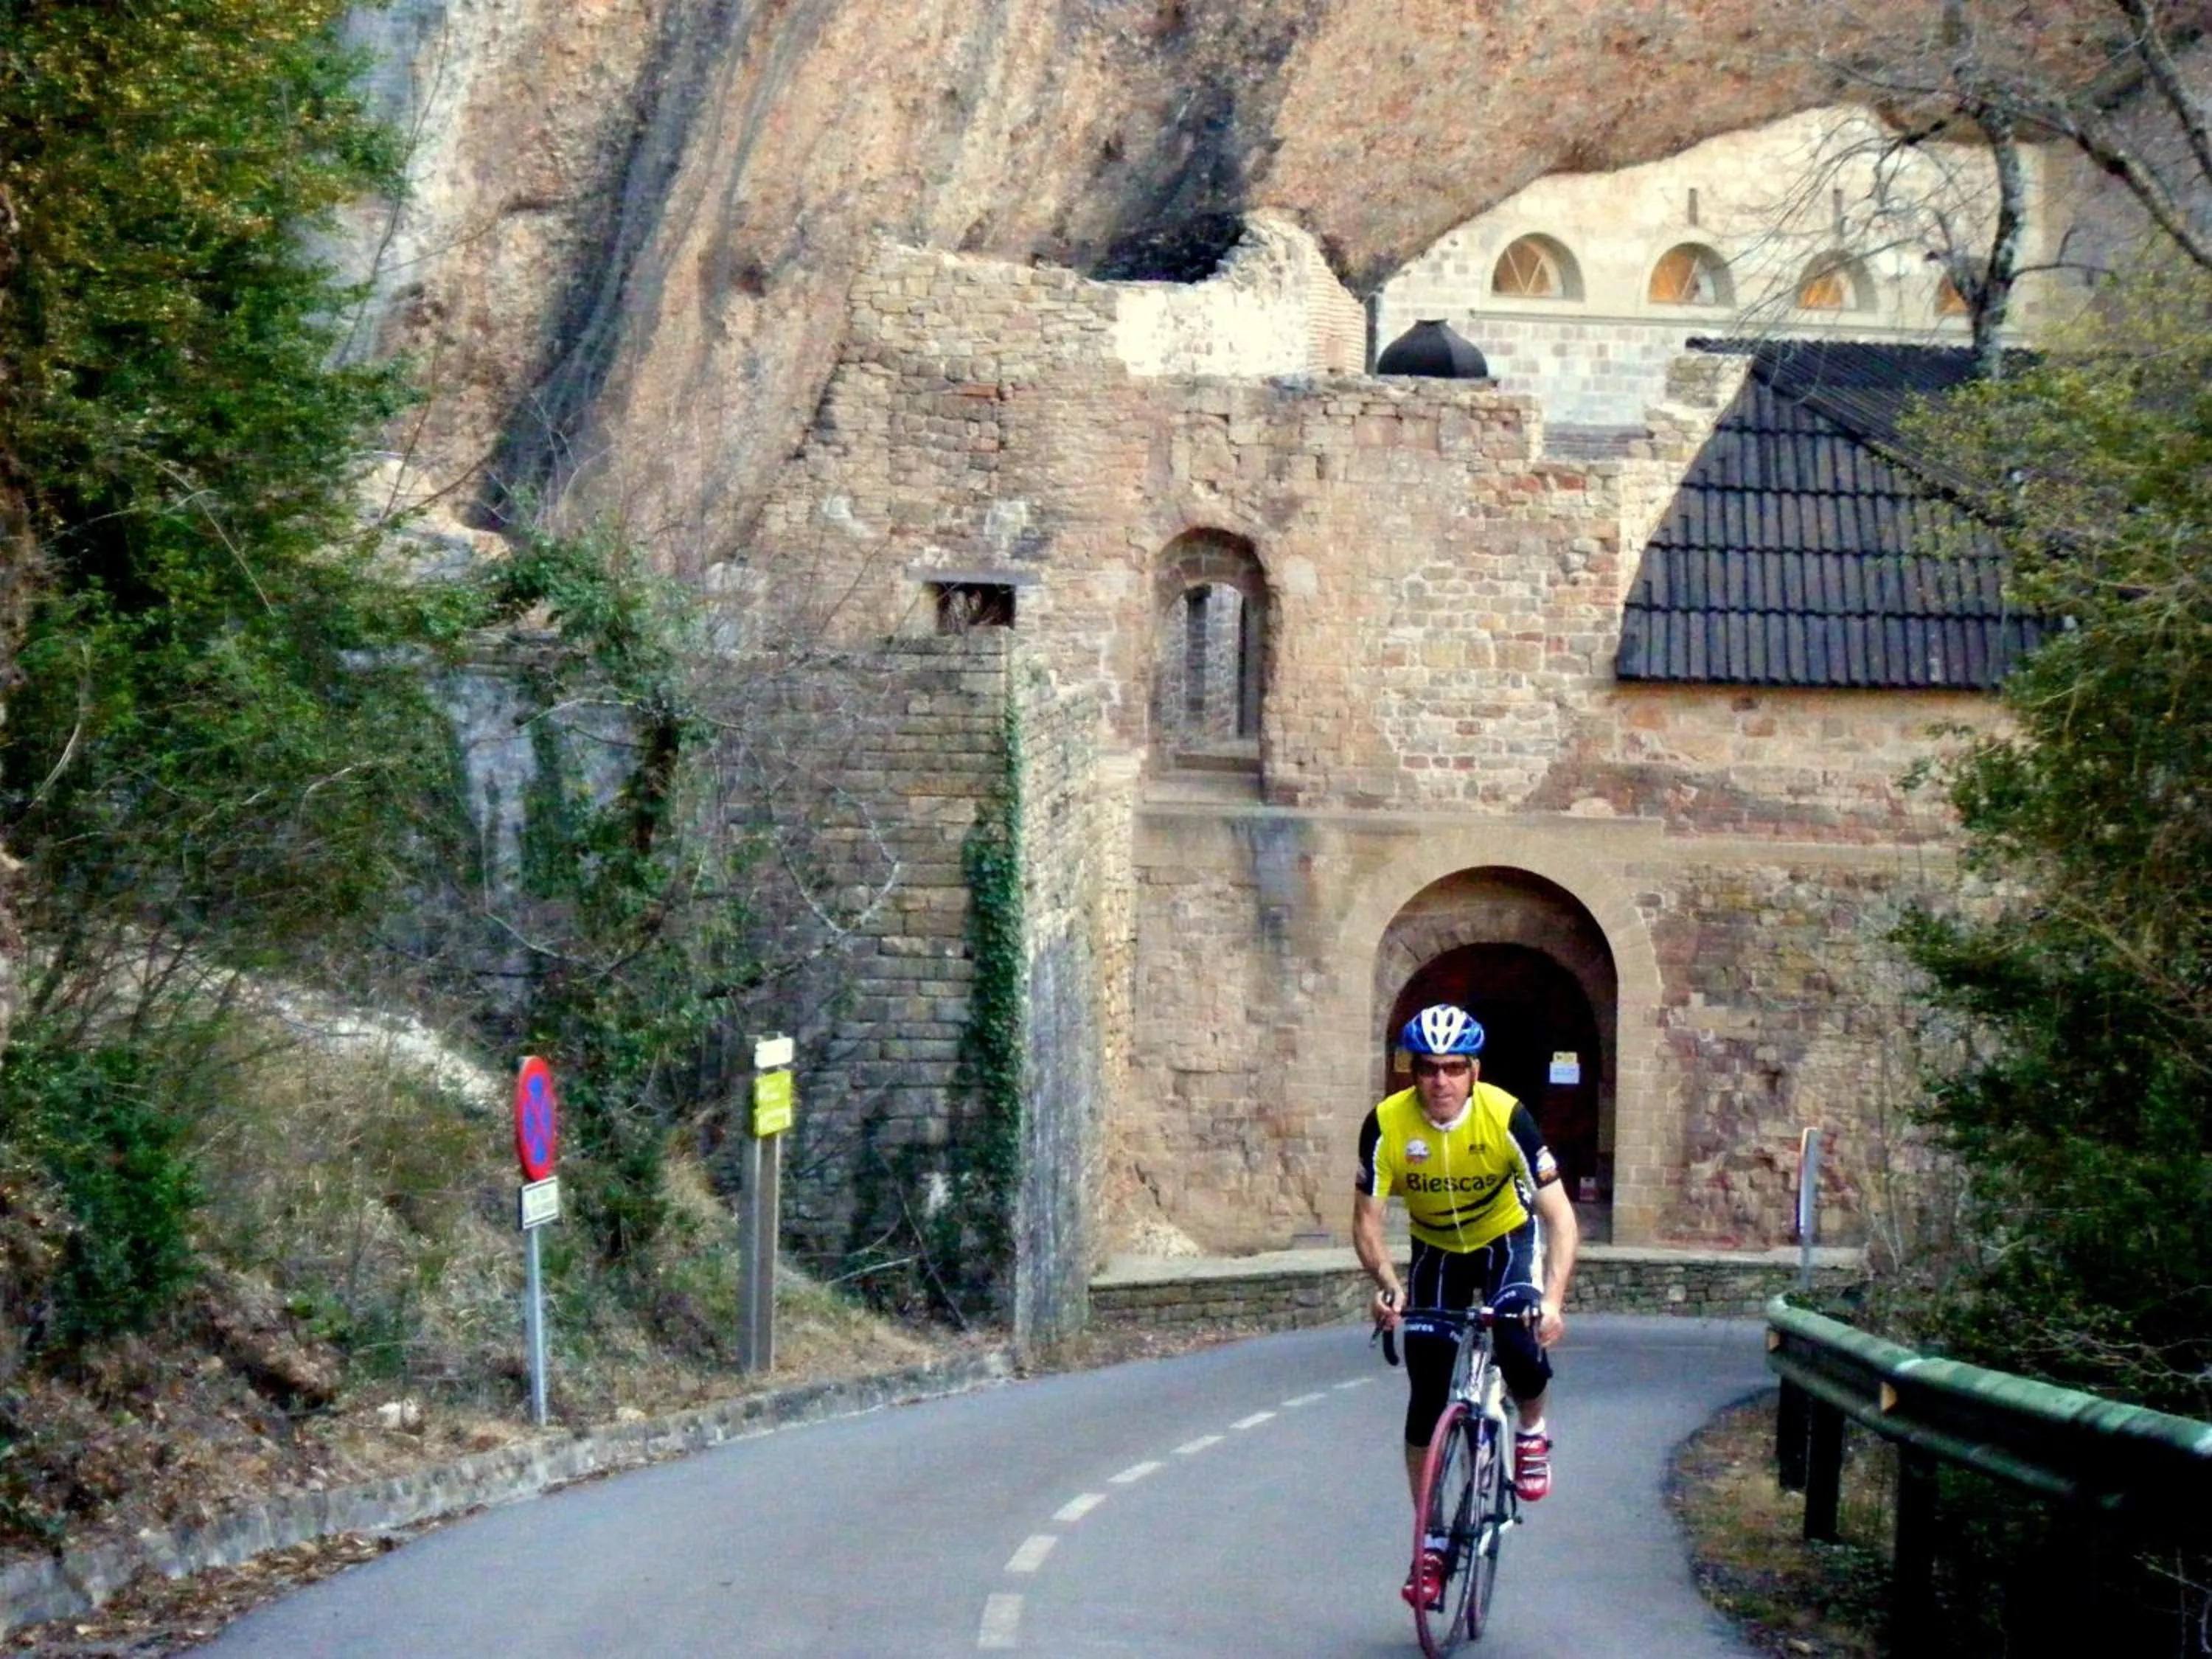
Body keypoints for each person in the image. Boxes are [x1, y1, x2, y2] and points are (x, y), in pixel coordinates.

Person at [1352, 1002, 1580, 1611]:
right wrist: (1387, 1283)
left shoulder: (1507, 1117)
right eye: (1427, 1069)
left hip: (1506, 1240)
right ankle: (1429, 1543)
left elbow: (1560, 1218)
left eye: (1454, 1068)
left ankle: (1531, 1430)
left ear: (1474, 1070)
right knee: (1426, 1386)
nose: (1440, 1082)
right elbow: (1367, 1223)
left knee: (1516, 1340)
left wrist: (1553, 1303)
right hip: (1437, 1252)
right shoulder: (1386, 1124)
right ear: (1411, 1071)